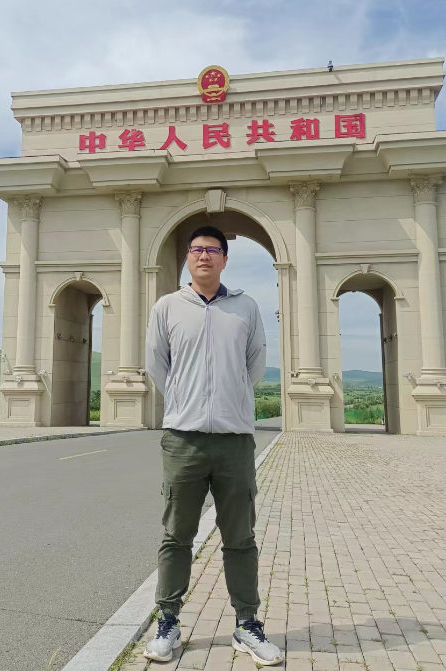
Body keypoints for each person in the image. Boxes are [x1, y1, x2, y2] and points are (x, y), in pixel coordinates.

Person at [143, 226, 284, 666]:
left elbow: (254, 364)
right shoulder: (167, 307)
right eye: (197, 249)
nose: (204, 256)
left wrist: (231, 399)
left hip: (234, 441)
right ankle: (168, 621)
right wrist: (184, 401)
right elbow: (157, 365)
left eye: (213, 250)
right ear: (188, 257)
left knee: (240, 538)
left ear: (225, 258)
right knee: (176, 536)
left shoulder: (246, 307)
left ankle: (247, 624)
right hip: (182, 440)